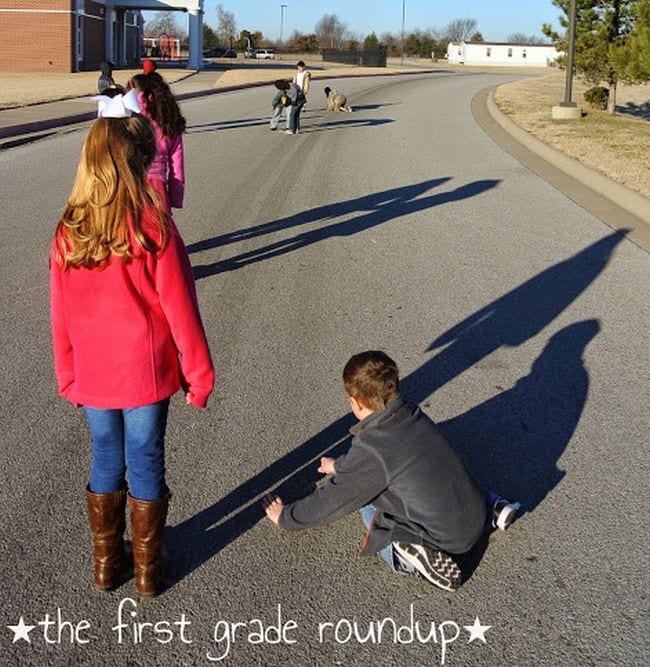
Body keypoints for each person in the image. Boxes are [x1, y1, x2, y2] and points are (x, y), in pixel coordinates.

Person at [49, 90, 215, 598]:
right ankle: (146, 567)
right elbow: (180, 309)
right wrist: (200, 373)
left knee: (104, 456)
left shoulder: (68, 233)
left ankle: (106, 561)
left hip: (94, 376)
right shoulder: (153, 228)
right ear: (137, 165)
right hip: (146, 374)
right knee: (144, 458)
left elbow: (61, 316)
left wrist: (68, 373)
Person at [265, 351, 520, 592]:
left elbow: (333, 500)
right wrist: (339, 466)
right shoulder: (410, 413)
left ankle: (409, 548)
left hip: (449, 540)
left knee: (370, 512)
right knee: (431, 470)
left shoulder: (373, 447)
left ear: (356, 402)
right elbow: (376, 462)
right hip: (475, 512)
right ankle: (494, 508)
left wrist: (286, 517)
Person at [130, 71, 186, 212]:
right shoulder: (169, 121)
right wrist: (175, 197)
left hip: (129, 184)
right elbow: (177, 167)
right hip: (157, 187)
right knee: (159, 231)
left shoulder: (128, 115)